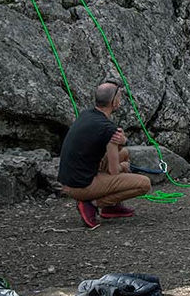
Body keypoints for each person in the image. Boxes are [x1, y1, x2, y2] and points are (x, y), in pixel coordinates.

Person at [58, 81, 159, 228]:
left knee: (123, 153)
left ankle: (111, 208)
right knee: (144, 184)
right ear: (114, 102)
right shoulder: (109, 129)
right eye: (119, 97)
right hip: (81, 185)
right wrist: (124, 166)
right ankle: (92, 203)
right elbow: (114, 171)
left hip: (68, 179)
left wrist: (122, 143)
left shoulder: (87, 114)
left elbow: (115, 151)